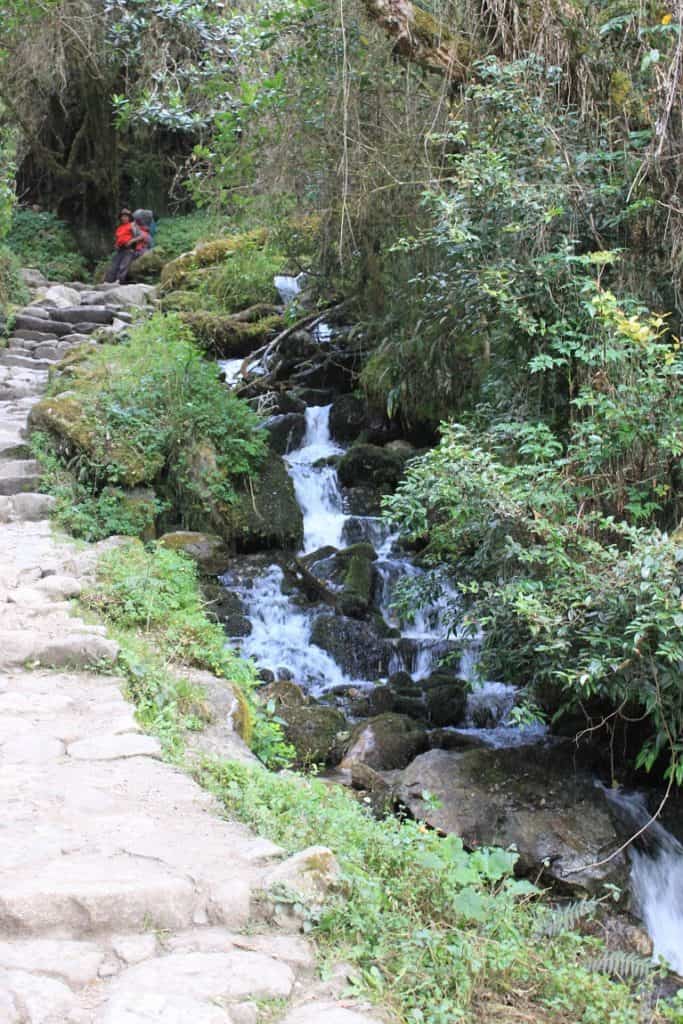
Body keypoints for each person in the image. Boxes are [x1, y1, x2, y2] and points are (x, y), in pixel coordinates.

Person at [105, 208, 140, 284]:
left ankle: (119, 281)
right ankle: (108, 282)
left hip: (129, 249)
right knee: (113, 266)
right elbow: (118, 239)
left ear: (129, 217)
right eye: (123, 216)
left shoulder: (133, 225)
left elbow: (140, 236)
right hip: (120, 250)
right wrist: (116, 245)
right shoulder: (119, 228)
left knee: (123, 265)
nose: (124, 218)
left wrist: (131, 241)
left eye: (126, 216)